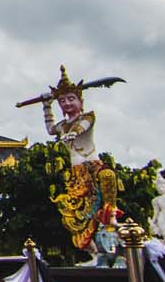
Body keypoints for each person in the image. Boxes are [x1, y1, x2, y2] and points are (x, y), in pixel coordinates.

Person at [40, 66, 119, 255]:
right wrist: (46, 106)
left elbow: (82, 127)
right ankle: (94, 252)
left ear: (80, 100)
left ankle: (112, 214)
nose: (67, 103)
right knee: (73, 217)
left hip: (92, 165)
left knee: (108, 176)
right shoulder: (62, 125)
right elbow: (51, 129)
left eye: (71, 99)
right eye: (62, 101)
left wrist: (73, 133)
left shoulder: (88, 116)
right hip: (76, 175)